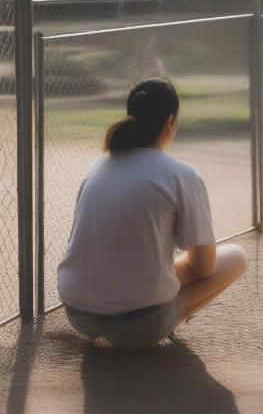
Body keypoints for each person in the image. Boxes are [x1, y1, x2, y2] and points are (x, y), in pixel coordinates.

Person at [57, 77, 247, 350]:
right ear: (171, 121)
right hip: (139, 325)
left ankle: (153, 311)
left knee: (146, 270)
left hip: (78, 314)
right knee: (236, 257)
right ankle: (171, 320)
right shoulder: (182, 175)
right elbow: (203, 267)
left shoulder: (98, 166)